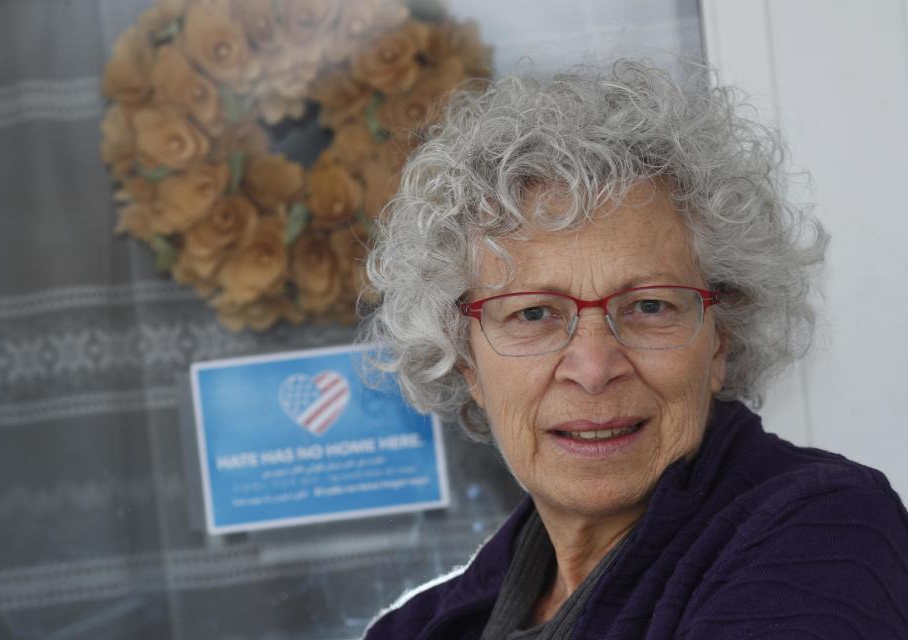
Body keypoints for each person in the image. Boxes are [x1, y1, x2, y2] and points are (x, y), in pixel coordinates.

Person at [359, 59, 908, 639]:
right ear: (465, 359)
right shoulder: (415, 629)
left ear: (721, 338)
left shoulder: (822, 534)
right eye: (534, 314)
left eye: (649, 307)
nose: (594, 368)